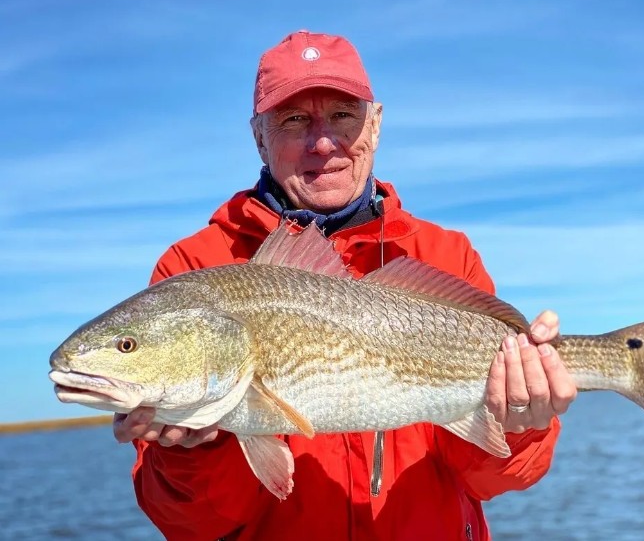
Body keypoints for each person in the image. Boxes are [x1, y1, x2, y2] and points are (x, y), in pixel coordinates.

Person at [113, 30, 578, 541]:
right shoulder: (192, 268)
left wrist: (521, 422)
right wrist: (193, 453)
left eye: (342, 115)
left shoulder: (448, 255)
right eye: (294, 120)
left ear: (375, 126)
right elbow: (188, 523)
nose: (323, 142)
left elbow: (490, 478)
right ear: (258, 137)